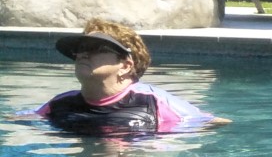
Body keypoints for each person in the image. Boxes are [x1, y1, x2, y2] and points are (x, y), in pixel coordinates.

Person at [29, 19, 227, 135]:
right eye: (80, 48)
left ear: (125, 66)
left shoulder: (153, 103)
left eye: (95, 48)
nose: (83, 54)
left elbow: (215, 122)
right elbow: (23, 119)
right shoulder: (60, 104)